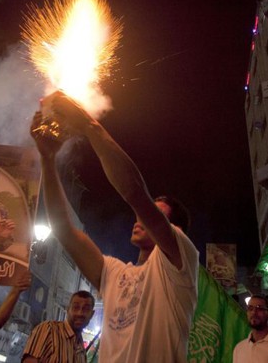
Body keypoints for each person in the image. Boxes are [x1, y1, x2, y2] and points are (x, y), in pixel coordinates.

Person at [29, 91, 199, 363]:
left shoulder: (179, 264)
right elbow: (63, 229)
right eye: (143, 214)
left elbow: (134, 192)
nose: (139, 218)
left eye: (154, 215)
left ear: (174, 230)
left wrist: (88, 124)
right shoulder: (115, 273)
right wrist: (48, 160)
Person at [22, 290, 95, 362]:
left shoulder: (81, 348)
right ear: (68, 309)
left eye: (86, 309)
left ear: (92, 314)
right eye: (76, 307)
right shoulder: (49, 330)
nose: (80, 313)